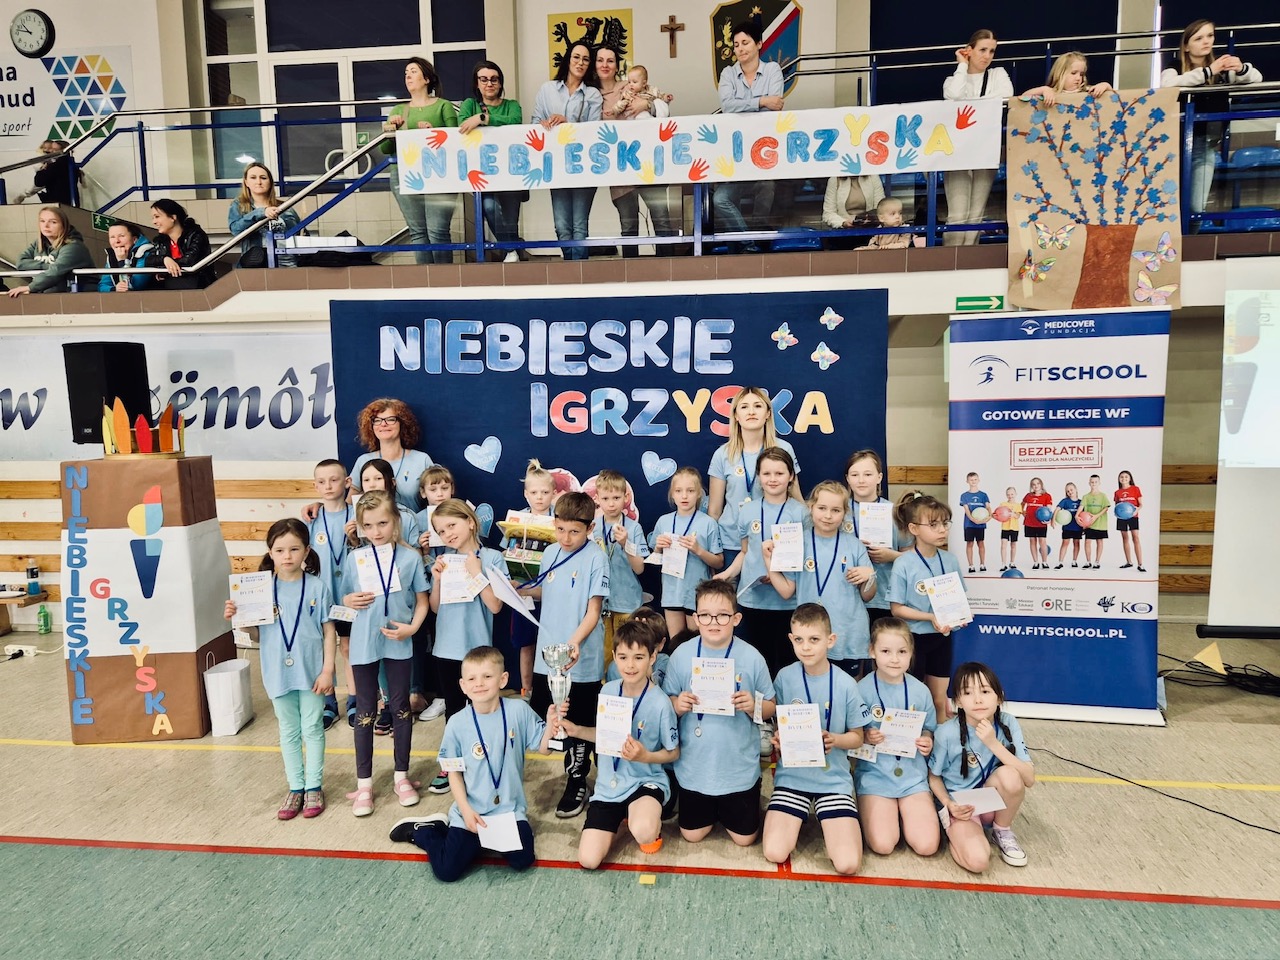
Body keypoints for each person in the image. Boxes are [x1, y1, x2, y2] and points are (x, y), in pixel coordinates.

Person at [388, 646, 557, 882]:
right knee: (447, 871)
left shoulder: (519, 710)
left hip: (508, 812)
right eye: (472, 679)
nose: (479, 683)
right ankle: (425, 832)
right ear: (463, 685)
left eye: (487, 676)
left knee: (523, 861)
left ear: (503, 679)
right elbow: (453, 773)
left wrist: (551, 727)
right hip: (471, 811)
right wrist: (466, 810)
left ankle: (477, 841)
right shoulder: (457, 723)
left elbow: (544, 748)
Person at [224, 519, 336, 819]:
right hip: (276, 671)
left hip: (312, 672)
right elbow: (257, 635)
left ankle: (314, 786)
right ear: (270, 552)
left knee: (312, 728)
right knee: (288, 729)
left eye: (294, 549)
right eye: (280, 550)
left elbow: (328, 631)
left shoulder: (317, 586)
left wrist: (328, 670)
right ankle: (295, 787)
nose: (287, 556)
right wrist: (239, 618)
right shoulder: (259, 589)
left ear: (307, 551)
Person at [662, 579, 775, 846]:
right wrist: (677, 705)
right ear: (695, 619)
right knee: (692, 835)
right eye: (705, 615)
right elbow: (667, 701)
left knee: (745, 840)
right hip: (694, 768)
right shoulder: (681, 655)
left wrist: (754, 706)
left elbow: (771, 706)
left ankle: (747, 794)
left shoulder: (752, 657)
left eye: (722, 615)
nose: (714, 622)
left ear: (736, 618)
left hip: (737, 769)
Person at [560, 620, 680, 868]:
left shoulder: (660, 703)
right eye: (623, 657)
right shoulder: (608, 692)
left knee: (644, 831)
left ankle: (644, 819)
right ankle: (626, 815)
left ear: (652, 657)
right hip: (609, 787)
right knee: (588, 860)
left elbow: (673, 752)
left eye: (639, 657)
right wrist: (576, 730)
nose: (630, 665)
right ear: (614, 657)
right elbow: (605, 735)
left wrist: (645, 756)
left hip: (645, 781)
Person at [338, 491, 429, 816]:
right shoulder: (355, 559)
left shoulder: (410, 558)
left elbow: (422, 601)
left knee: (401, 708)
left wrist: (412, 628)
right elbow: (344, 598)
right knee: (365, 711)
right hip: (365, 643)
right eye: (368, 525)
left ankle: (401, 776)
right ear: (361, 527)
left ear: (396, 522)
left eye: (382, 523)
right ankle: (364, 784)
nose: (376, 531)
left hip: (398, 641)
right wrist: (348, 601)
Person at [763, 603, 870, 876]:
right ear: (791, 639)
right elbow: (779, 724)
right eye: (799, 640)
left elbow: (858, 737)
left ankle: (834, 820)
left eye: (814, 639)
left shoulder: (846, 683)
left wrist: (835, 740)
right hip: (793, 777)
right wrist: (779, 739)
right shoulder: (784, 677)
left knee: (847, 864)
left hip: (833, 779)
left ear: (830, 640)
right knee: (774, 852)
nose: (806, 647)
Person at [523, 492, 610, 819]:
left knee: (580, 721)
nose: (566, 538)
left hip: (580, 658)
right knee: (552, 716)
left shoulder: (596, 557)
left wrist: (573, 643)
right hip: (548, 655)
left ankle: (577, 779)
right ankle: (566, 772)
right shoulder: (549, 553)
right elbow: (546, 590)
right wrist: (518, 589)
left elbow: (593, 610)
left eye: (574, 531)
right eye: (560, 529)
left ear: (589, 528)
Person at [423, 499, 508, 795]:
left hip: (478, 652)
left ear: (470, 522)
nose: (447, 534)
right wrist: (437, 580)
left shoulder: (493, 558)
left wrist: (476, 572)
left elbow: (495, 606)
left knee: (484, 709)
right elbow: (435, 607)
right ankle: (451, 764)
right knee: (455, 711)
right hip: (446, 648)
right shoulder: (444, 561)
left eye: (452, 525)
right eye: (441, 531)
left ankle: (486, 761)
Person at [928, 661, 1035, 871]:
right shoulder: (946, 733)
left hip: (990, 802)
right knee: (978, 862)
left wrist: (993, 743)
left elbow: (1029, 778)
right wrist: (949, 804)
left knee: (1011, 776)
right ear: (958, 701)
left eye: (985, 691)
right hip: (961, 806)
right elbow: (933, 777)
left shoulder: (1008, 722)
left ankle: (1001, 831)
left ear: (999, 697)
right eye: (968, 693)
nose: (978, 699)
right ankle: (956, 833)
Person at [1161, 20, 1263, 230]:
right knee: (1169, 203)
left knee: (1196, 206)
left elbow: (1257, 79)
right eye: (1199, 38)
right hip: (1173, 146)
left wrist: (1241, 68)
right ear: (1186, 46)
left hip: (1206, 144)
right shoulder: (1174, 67)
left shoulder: (1222, 69)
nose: (1206, 41)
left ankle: (1189, 244)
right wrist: (1208, 71)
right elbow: (1167, 84)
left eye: (1210, 36)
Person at [714, 447, 803, 680]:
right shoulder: (747, 511)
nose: (772, 479)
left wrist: (777, 575)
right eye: (766, 473)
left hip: (787, 602)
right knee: (757, 665)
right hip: (753, 600)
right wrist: (727, 574)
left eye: (779, 473)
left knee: (787, 666)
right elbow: (745, 552)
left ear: (791, 476)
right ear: (759, 476)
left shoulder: (801, 513)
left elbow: (804, 559)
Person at [856, 618, 940, 858]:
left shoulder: (920, 691)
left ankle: (909, 815)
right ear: (872, 651)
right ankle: (887, 815)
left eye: (902, 652)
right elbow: (851, 736)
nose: (894, 659)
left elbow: (929, 728)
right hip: (874, 777)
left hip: (912, 777)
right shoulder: (860, 690)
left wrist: (927, 740)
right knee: (883, 845)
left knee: (926, 846)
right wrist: (865, 736)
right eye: (886, 651)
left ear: (911, 653)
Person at [888, 493, 968, 720]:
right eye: (933, 525)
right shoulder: (903, 563)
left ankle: (940, 741)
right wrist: (930, 617)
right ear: (914, 528)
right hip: (913, 639)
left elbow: (959, 598)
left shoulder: (950, 560)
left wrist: (960, 616)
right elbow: (897, 609)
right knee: (911, 700)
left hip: (942, 638)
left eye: (945, 523)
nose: (942, 530)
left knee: (939, 700)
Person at [708, 387, 802, 575]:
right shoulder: (723, 454)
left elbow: (796, 498)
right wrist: (712, 551)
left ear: (768, 414)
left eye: (758, 406)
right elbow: (714, 510)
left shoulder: (783, 449)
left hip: (774, 541)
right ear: (736, 416)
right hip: (731, 543)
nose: (751, 412)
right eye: (744, 407)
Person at [597, 47, 679, 258]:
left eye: (610, 60)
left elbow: (663, 108)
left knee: (661, 219)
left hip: (648, 164)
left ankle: (669, 269)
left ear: (617, 65)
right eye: (600, 60)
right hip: (621, 170)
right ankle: (630, 273)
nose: (605, 65)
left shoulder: (632, 85)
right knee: (628, 226)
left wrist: (647, 104)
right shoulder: (592, 95)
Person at [715, 20, 785, 252]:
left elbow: (775, 107)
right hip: (736, 156)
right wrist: (762, 101)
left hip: (765, 154)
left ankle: (757, 239)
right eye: (736, 45)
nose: (740, 49)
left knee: (767, 187)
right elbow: (727, 106)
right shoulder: (728, 73)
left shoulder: (772, 70)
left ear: (759, 44)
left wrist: (746, 105)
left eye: (745, 42)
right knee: (720, 199)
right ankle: (750, 244)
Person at [795, 481, 877, 679]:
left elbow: (868, 596)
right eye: (822, 508)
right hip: (810, 632)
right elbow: (787, 590)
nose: (828, 515)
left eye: (836, 510)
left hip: (848, 632)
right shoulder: (798, 541)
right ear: (810, 507)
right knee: (814, 685)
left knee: (850, 687)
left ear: (845, 513)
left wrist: (869, 577)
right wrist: (769, 559)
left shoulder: (854, 545)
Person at [382, 57, 459, 264]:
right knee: (418, 232)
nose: (408, 76)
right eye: (406, 73)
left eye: (413, 71)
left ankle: (443, 279)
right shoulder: (398, 110)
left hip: (439, 173)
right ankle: (425, 279)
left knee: (438, 231)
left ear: (427, 79)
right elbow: (386, 149)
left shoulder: (443, 106)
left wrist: (434, 132)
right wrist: (391, 130)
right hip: (405, 174)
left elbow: (456, 141)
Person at [531, 41, 602, 260]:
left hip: (583, 166)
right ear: (568, 59)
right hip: (557, 166)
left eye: (586, 59)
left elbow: (594, 131)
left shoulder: (593, 94)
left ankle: (579, 273)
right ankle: (571, 270)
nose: (580, 63)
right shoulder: (547, 89)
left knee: (579, 226)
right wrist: (543, 124)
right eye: (576, 57)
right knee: (561, 226)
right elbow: (534, 122)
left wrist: (567, 122)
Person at [941, 30, 1012, 246]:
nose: (987, 56)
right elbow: (953, 95)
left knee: (976, 212)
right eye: (982, 50)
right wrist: (962, 65)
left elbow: (1007, 95)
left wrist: (970, 104)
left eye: (992, 51)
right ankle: (951, 257)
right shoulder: (953, 79)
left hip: (985, 148)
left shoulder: (998, 74)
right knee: (957, 212)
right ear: (969, 50)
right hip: (959, 151)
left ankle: (969, 256)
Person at [458, 60, 524, 263]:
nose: (489, 83)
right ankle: (512, 249)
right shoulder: (469, 104)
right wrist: (477, 116)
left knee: (511, 221)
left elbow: (515, 122)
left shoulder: (511, 105)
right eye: (484, 79)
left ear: (500, 82)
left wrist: (483, 119)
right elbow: (462, 125)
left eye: (494, 79)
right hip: (483, 172)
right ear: (476, 83)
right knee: (488, 207)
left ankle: (512, 254)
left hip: (510, 171)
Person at [307, 459, 356, 730]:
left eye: (334, 480)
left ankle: (355, 701)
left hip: (349, 596)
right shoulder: (311, 520)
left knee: (348, 648)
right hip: (321, 598)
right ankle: (328, 703)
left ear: (347, 482)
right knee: (324, 650)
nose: (328, 486)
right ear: (315, 486)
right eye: (322, 482)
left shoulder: (357, 515)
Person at [649, 467, 724, 641]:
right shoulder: (664, 521)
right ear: (672, 494)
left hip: (697, 595)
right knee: (675, 644)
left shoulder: (708, 523)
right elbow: (654, 559)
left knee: (697, 642)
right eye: (678, 491)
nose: (684, 496)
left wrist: (699, 550)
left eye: (690, 491)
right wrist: (658, 548)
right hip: (672, 594)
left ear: (698, 494)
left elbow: (719, 562)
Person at [508, 459, 560, 697]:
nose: (539, 497)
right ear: (525, 494)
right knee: (526, 644)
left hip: (551, 593)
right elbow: (506, 550)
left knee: (552, 645)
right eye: (534, 493)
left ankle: (552, 691)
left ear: (554, 493)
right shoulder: (517, 519)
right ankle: (526, 690)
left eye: (545, 492)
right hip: (523, 592)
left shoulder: (559, 520)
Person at [845, 450, 910, 635]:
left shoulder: (895, 513)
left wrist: (892, 556)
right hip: (847, 598)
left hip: (885, 598)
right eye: (855, 475)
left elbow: (914, 558)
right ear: (847, 478)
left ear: (879, 477)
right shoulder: (838, 511)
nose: (861, 480)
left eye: (868, 474)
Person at [412, 463, 457, 719]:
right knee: (436, 643)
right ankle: (441, 695)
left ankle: (463, 695)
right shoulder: (418, 520)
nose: (439, 493)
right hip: (431, 589)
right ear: (423, 493)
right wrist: (423, 550)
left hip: (460, 589)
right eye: (433, 489)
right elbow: (412, 561)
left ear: (452, 489)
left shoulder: (461, 512)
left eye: (444, 487)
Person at [590, 469, 649, 664]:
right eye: (605, 498)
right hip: (600, 602)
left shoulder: (633, 528)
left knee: (628, 651)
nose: (611, 503)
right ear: (597, 499)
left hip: (627, 601)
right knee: (604, 654)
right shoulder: (592, 527)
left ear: (626, 497)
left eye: (616, 497)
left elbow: (640, 568)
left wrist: (626, 544)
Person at [349, 398, 432, 510]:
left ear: (402, 424)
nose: (383, 424)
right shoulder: (363, 461)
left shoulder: (421, 460)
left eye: (390, 419)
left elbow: (439, 499)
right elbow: (350, 505)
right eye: (377, 420)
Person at [7, 206, 93, 296]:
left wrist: (30, 287)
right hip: (52, 293)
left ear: (64, 225)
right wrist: (50, 266)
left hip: (82, 295)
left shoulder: (74, 246)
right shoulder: (38, 244)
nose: (46, 225)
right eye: (42, 221)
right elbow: (20, 263)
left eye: (53, 222)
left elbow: (55, 272)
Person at [228, 162, 299, 268]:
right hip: (258, 266)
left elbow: (300, 234)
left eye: (263, 178)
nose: (259, 182)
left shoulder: (285, 207)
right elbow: (235, 230)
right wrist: (261, 213)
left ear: (270, 182)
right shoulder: (239, 205)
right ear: (246, 182)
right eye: (253, 177)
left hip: (289, 264)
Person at [150, 199, 214, 289]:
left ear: (173, 217)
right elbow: (149, 260)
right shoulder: (161, 240)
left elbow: (189, 260)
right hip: (172, 287)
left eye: (157, 217)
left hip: (200, 287)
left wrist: (166, 268)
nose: (154, 222)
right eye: (153, 218)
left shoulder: (196, 235)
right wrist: (164, 259)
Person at [1022, 51, 1113, 105]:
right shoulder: (1051, 93)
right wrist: (1043, 90)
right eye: (1073, 73)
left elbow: (1114, 98)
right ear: (1060, 73)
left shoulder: (1088, 91)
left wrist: (1105, 85)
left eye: (1081, 74)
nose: (1078, 78)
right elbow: (1023, 97)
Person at [821, 174, 885, 249]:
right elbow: (828, 214)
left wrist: (869, 219)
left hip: (869, 231)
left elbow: (881, 208)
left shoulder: (873, 177)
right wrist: (843, 223)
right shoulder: (834, 180)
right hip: (843, 233)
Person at [97, 222, 156, 292]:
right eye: (112, 237)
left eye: (121, 236)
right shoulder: (112, 255)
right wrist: (114, 289)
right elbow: (102, 286)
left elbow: (136, 285)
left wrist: (122, 261)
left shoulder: (145, 251)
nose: (117, 241)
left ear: (134, 239)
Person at [609, 64, 674, 117]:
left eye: (634, 82)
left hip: (649, 113)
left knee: (658, 101)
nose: (631, 84)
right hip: (634, 116)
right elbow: (621, 103)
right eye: (629, 82)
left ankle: (659, 120)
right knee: (640, 115)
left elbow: (660, 95)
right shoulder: (628, 94)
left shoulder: (652, 90)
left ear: (644, 83)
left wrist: (666, 97)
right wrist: (614, 110)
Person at [959, 471, 991, 574]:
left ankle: (982, 564)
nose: (973, 481)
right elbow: (967, 510)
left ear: (978, 480)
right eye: (971, 480)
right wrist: (973, 520)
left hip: (981, 524)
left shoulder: (983, 495)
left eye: (975, 479)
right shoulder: (964, 496)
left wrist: (988, 517)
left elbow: (988, 508)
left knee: (981, 543)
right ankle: (971, 565)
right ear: (967, 481)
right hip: (969, 524)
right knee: (970, 543)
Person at [1114, 470, 1146, 573]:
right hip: (1121, 518)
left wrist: (1137, 510)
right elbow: (1117, 506)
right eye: (1121, 477)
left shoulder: (1135, 489)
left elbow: (1141, 504)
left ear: (1130, 478)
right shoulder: (1117, 492)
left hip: (1133, 516)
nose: (1124, 478)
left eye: (1126, 477)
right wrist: (1117, 513)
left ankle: (1140, 564)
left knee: (1135, 538)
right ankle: (1129, 562)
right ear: (1119, 479)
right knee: (1125, 538)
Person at [1080, 474, 1111, 570]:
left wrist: (1096, 516)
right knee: (1087, 541)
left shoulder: (1103, 496)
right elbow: (1081, 508)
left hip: (1100, 524)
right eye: (1092, 482)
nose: (1094, 483)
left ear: (1099, 483)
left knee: (1099, 541)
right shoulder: (1085, 496)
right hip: (1089, 524)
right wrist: (1077, 517)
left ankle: (1097, 562)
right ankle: (1088, 561)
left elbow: (1106, 508)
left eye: (1096, 482)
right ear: (1089, 483)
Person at [1021, 477, 1053, 571]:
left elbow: (1049, 510)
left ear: (1041, 484)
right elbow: (1021, 504)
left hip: (1041, 523)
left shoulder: (1047, 496)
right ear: (1031, 486)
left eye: (1038, 483)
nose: (1036, 486)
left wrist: (1049, 519)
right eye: (1033, 484)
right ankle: (1035, 562)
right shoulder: (1028, 496)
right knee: (1032, 541)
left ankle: (1044, 562)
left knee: (1042, 541)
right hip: (1029, 522)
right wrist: (1022, 512)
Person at [1054, 481, 1084, 570]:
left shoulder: (1081, 502)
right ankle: (1060, 562)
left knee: (1076, 543)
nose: (1070, 492)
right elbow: (1057, 509)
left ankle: (1074, 561)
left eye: (1071, 490)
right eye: (1068, 491)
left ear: (1076, 489)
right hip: (1067, 527)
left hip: (1078, 527)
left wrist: (1085, 527)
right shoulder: (1065, 501)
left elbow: (1084, 515)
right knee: (1065, 543)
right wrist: (1053, 520)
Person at [997, 485, 1023, 571]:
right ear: (1006, 495)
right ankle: (1003, 564)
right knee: (1003, 545)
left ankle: (1012, 562)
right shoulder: (1003, 504)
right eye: (1008, 494)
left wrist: (1012, 514)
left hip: (1014, 528)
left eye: (1012, 494)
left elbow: (1018, 516)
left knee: (1013, 545)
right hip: (1005, 527)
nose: (1010, 496)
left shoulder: (1018, 505)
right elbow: (998, 514)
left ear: (1015, 494)